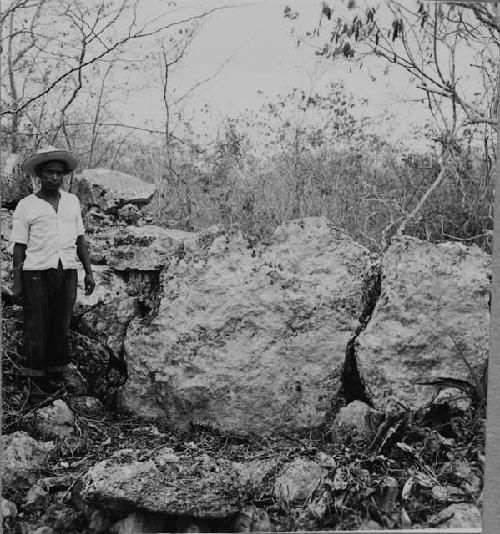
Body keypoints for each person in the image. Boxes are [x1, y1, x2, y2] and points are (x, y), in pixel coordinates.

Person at [10, 146, 95, 400]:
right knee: (36, 325)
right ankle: (35, 383)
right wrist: (16, 282)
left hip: (66, 270)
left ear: (64, 175)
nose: (54, 177)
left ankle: (56, 377)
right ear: (39, 175)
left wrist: (88, 272)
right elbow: (19, 246)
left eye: (58, 173)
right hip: (36, 271)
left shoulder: (72, 202)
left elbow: (80, 239)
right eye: (48, 173)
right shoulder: (27, 205)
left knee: (60, 324)